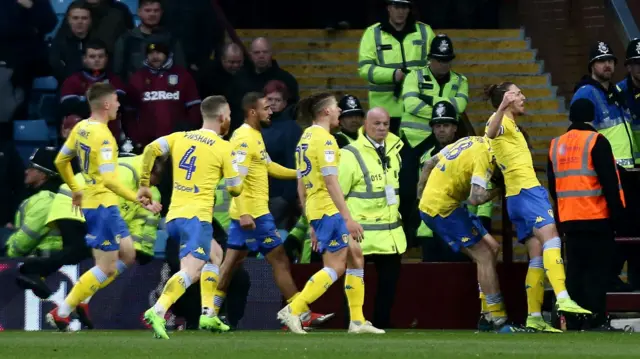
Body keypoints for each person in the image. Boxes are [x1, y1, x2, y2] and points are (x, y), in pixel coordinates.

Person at [46, 83, 162, 331]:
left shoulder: (81, 127)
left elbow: (61, 160)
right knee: (107, 266)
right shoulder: (104, 137)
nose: (119, 106)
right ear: (107, 104)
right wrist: (137, 199)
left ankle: (82, 298)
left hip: (95, 201)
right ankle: (63, 311)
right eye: (116, 102)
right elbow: (109, 179)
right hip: (102, 205)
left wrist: (76, 188)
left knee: (128, 254)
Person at [212, 92, 331, 330]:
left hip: (247, 213)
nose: (271, 111)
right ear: (253, 112)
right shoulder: (244, 138)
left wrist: (299, 173)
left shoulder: (255, 135)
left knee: (230, 264)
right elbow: (235, 179)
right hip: (254, 214)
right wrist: (245, 212)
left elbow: (268, 166)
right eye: (266, 108)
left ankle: (209, 311)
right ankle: (301, 313)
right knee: (280, 260)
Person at [484, 82, 591, 332]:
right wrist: (501, 107)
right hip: (527, 192)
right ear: (507, 99)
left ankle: (534, 316)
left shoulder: (513, 127)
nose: (524, 97)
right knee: (552, 237)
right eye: (518, 93)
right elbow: (489, 133)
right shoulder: (499, 121)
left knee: (536, 255)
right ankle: (563, 297)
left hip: (516, 197)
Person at [278, 92, 384, 335]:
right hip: (328, 209)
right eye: (336, 107)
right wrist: (347, 218)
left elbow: (301, 183)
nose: (339, 111)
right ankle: (294, 309)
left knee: (356, 257)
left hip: (317, 210)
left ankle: (357, 320)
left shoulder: (305, 138)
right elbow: (330, 181)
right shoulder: (325, 140)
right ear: (326, 111)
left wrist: (311, 221)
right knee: (335, 267)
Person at [138, 96, 242, 339]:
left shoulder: (179, 137)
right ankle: (158, 310)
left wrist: (144, 184)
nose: (229, 119)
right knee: (192, 271)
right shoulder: (224, 147)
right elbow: (236, 189)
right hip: (197, 218)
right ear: (222, 117)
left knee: (215, 255)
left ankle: (208, 313)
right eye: (228, 115)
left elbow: (150, 149)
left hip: (174, 217)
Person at [416, 134, 522, 332]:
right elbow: (475, 198)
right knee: (484, 255)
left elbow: (429, 163)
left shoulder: (471, 140)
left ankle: (486, 315)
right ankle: (498, 318)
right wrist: (499, 190)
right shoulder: (486, 156)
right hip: (443, 208)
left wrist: (420, 194)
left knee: (493, 247)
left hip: (441, 203)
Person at [548, 99, 627, 331]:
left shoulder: (555, 145)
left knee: (575, 272)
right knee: (597, 272)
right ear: (592, 117)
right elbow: (610, 184)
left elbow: (554, 187)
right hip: (596, 218)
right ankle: (596, 320)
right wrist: (618, 218)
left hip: (569, 221)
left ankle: (573, 320)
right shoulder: (597, 141)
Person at [338, 107, 406, 329]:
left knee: (389, 283)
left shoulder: (395, 150)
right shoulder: (351, 154)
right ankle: (353, 321)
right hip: (361, 232)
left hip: (390, 233)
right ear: (365, 125)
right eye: (377, 123)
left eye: (386, 124)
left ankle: (382, 323)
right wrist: (346, 223)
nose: (382, 128)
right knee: (355, 280)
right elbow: (338, 193)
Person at [357, 0, 435, 134]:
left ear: (409, 9)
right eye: (397, 7)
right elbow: (364, 69)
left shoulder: (425, 31)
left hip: (418, 107)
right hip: (384, 111)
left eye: (405, 7)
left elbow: (434, 64)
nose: (401, 11)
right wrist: (392, 75)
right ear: (388, 8)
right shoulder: (373, 33)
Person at [571, 41, 637, 168]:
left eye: (610, 61)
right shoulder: (585, 93)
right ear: (591, 66)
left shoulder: (616, 91)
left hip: (627, 169)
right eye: (601, 61)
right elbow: (580, 138)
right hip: (606, 170)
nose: (607, 65)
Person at [4, 147, 63, 259]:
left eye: (32, 167)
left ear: (44, 174)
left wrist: (8, 254)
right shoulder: (47, 197)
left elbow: (24, 241)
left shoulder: (46, 200)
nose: (26, 171)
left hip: (41, 266)